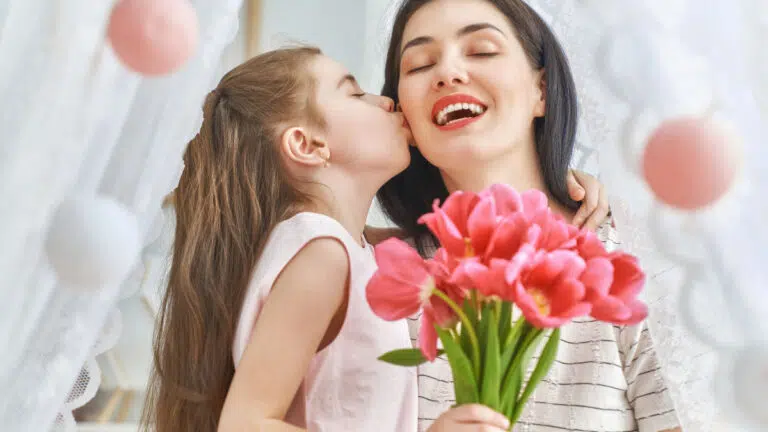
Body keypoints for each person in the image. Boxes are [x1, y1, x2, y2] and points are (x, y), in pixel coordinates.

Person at [140, 46, 518, 432]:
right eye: (355, 94)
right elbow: (244, 424)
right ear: (307, 145)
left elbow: (458, 236)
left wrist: (569, 189)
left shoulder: (350, 249)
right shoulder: (322, 253)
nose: (386, 102)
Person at [373, 1, 682, 431]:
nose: (448, 72)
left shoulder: (632, 264)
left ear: (541, 90)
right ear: (403, 115)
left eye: (481, 50)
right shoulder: (384, 281)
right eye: (420, 64)